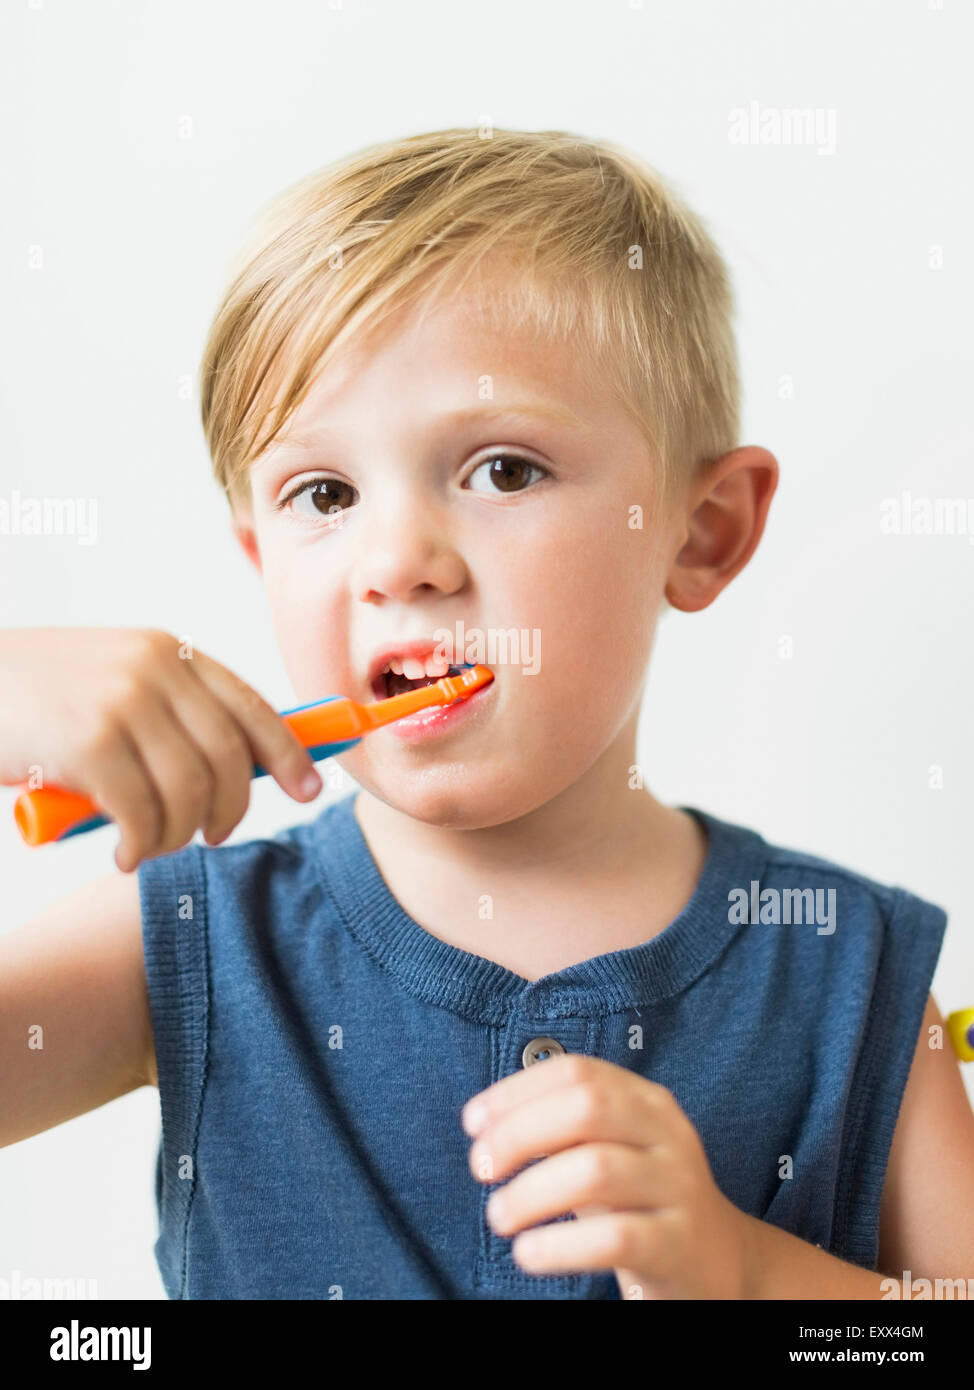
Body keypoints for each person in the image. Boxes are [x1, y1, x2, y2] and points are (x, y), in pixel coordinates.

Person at [3, 127, 972, 1300]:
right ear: (262, 557)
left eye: (503, 470)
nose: (398, 558)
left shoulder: (848, 970)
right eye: (324, 493)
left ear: (700, 528)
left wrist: (746, 1276)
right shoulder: (192, 943)